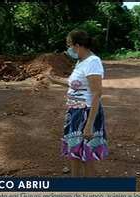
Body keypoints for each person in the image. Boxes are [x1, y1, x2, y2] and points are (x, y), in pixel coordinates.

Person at [46, 30, 109, 177]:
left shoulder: (93, 62)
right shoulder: (80, 62)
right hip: (75, 112)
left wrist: (89, 125)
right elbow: (75, 84)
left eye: (69, 45)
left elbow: (97, 93)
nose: (68, 49)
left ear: (78, 45)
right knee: (74, 153)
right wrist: (53, 80)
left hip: (86, 113)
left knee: (86, 154)